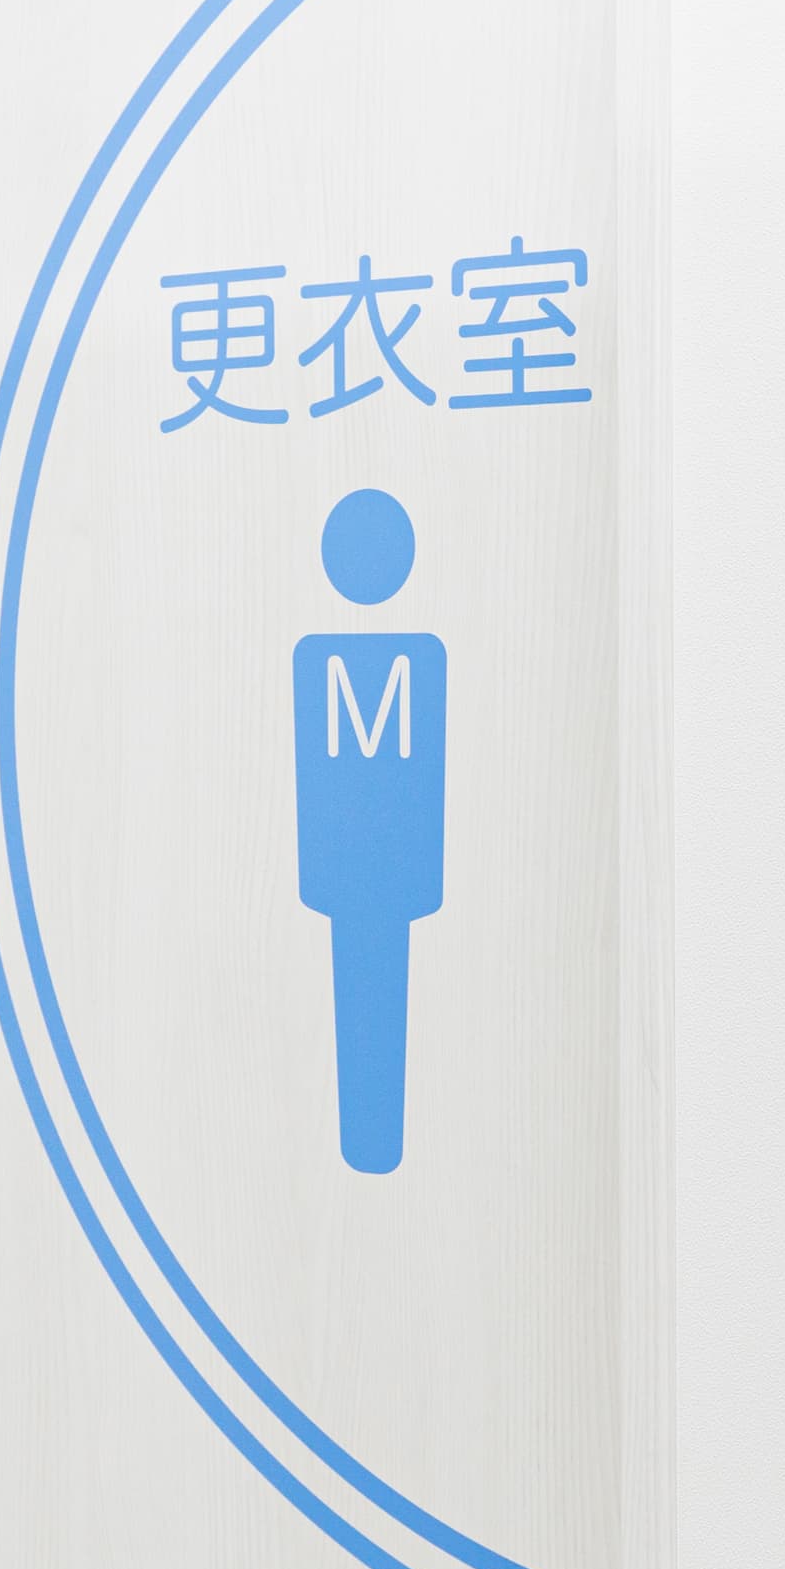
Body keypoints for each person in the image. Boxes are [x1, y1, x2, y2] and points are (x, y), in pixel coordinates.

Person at [292, 488, 446, 1173]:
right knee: (363, 1004)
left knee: (377, 1004)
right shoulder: (338, 660)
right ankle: (368, 1148)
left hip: (375, 870)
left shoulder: (397, 660)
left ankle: (376, 1148)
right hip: (362, 870)